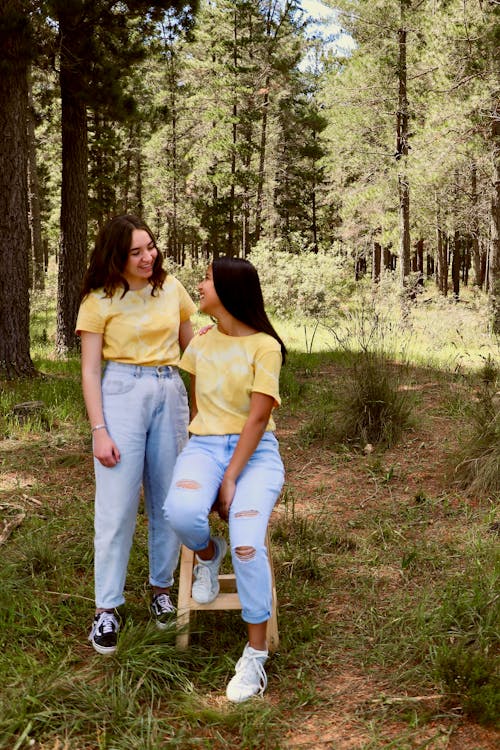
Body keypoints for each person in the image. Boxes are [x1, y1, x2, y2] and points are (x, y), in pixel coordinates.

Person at [163, 256, 286, 702]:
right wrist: (205, 468)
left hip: (254, 454)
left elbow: (257, 419)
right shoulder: (200, 342)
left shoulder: (265, 347)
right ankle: (209, 554)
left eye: (208, 279)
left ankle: (254, 658)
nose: (200, 284)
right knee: (180, 511)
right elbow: (198, 410)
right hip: (204, 447)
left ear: (231, 291)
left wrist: (229, 477)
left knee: (248, 542)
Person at [76, 214, 196, 655]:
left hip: (170, 390)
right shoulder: (98, 299)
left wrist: (201, 410)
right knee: (117, 504)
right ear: (116, 257)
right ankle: (106, 609)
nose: (149, 257)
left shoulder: (172, 289)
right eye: (136, 252)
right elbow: (90, 370)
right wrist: (99, 429)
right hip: (121, 394)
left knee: (169, 498)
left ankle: (162, 590)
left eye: (151, 247)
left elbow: (192, 350)